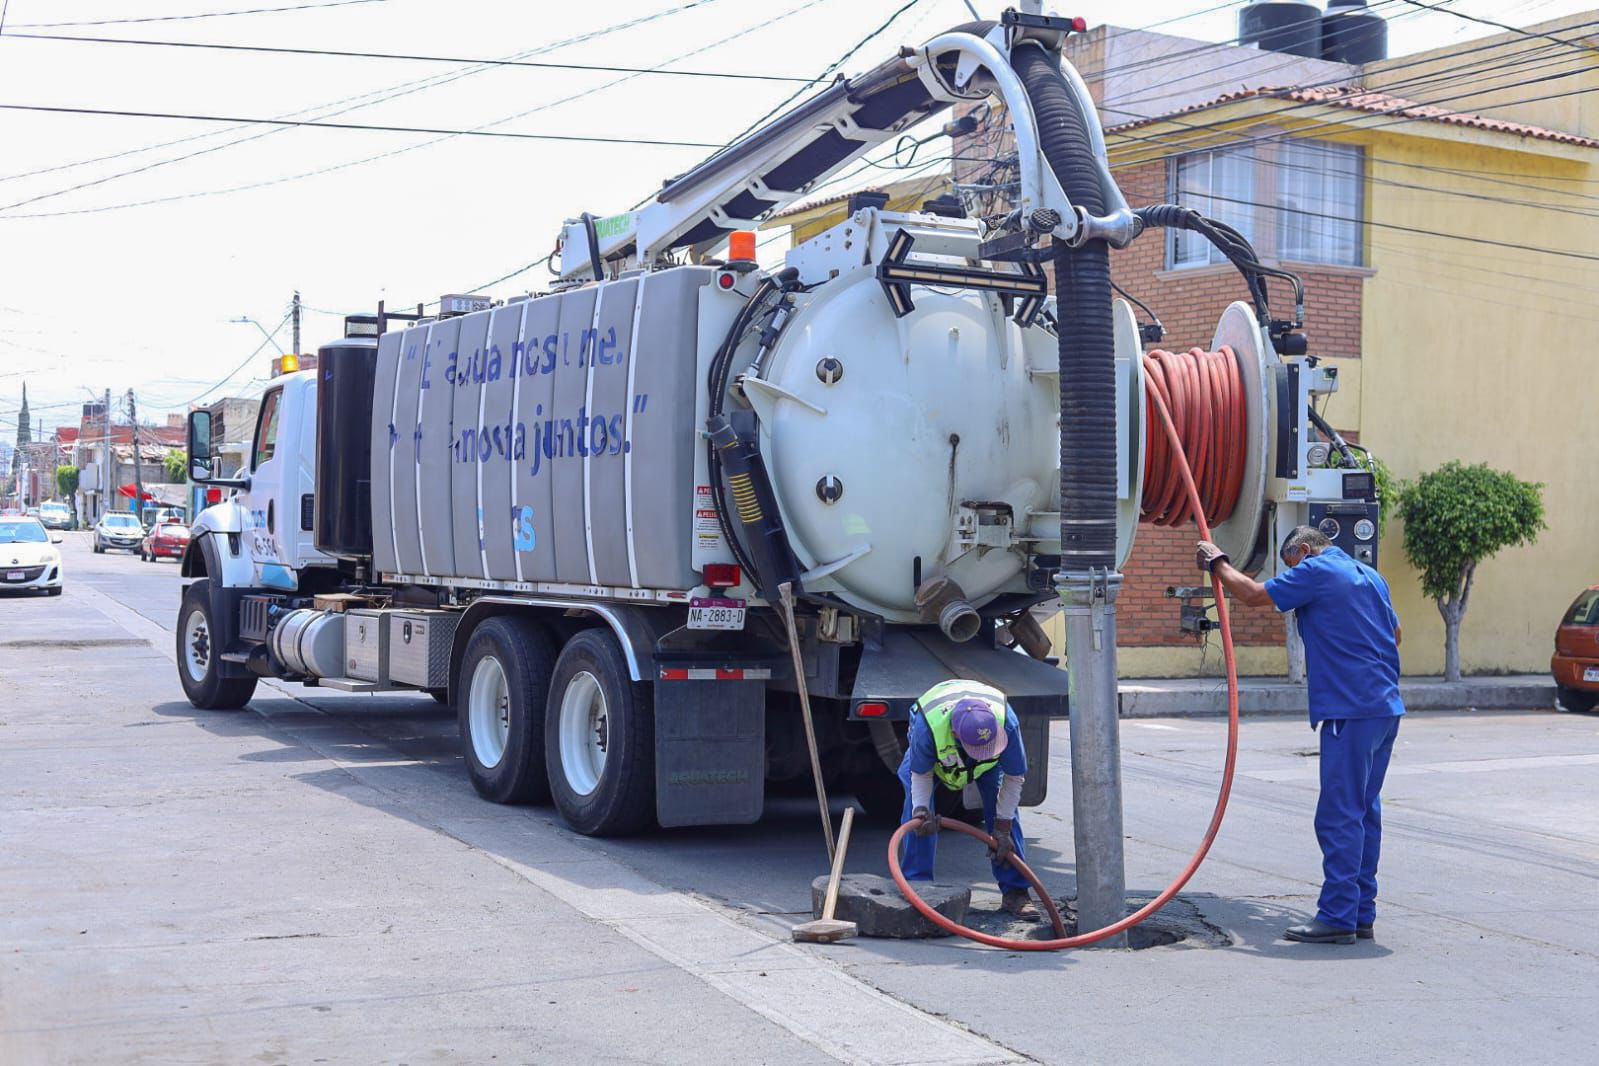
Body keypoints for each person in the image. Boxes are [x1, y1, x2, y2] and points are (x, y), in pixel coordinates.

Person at [1197, 526, 1405, 945]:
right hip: (1385, 708)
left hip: (1351, 707)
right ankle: (1361, 911)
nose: (1293, 576)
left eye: (1290, 564)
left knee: (1339, 815)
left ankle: (1338, 917)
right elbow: (1396, 634)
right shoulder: (1370, 575)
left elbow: (1254, 595)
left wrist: (1217, 563)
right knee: (1364, 812)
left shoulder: (1317, 570)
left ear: (1304, 551)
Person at [898, 679, 1036, 919]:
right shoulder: (928, 727)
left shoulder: (1006, 721)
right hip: (935, 763)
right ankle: (917, 888)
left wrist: (1002, 826)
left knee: (1006, 818)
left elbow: (1014, 778)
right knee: (918, 818)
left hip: (988, 767)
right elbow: (921, 774)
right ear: (954, 733)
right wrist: (921, 811)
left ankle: (1016, 891)